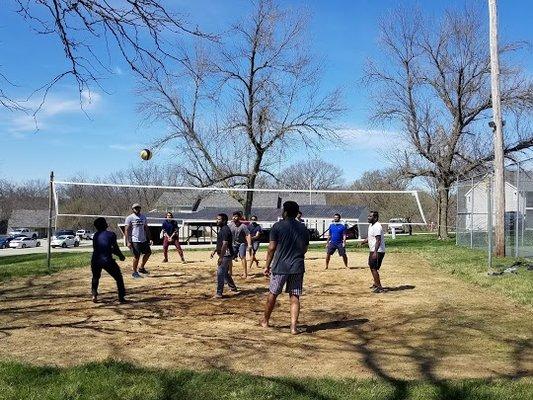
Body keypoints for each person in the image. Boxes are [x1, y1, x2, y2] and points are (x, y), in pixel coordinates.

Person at [260, 201, 310, 335]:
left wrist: (266, 266)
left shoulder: (277, 226)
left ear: (285, 212)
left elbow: (271, 248)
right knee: (295, 296)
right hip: (297, 267)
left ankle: (265, 320)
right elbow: (304, 249)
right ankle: (293, 327)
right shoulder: (303, 228)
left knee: (273, 293)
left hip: (280, 266)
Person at [91, 217, 126, 303]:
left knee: (96, 277)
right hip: (107, 260)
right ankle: (121, 297)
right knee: (118, 277)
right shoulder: (111, 234)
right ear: (104, 225)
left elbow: (104, 248)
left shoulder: (95, 235)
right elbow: (115, 248)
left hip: (95, 260)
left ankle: (94, 294)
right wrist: (121, 256)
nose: (107, 224)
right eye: (105, 222)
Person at [210, 213, 238, 298]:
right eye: (217, 219)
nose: (217, 221)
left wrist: (221, 257)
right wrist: (215, 250)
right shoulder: (222, 229)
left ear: (224, 221)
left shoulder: (225, 230)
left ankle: (219, 293)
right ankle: (233, 288)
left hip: (226, 254)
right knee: (225, 272)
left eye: (219, 219)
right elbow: (221, 243)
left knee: (220, 272)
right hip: (224, 254)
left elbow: (225, 244)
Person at [125, 203, 152, 278]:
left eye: (138, 208)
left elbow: (146, 228)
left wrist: (149, 238)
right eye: (135, 208)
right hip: (135, 240)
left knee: (148, 253)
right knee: (137, 256)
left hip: (143, 239)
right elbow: (126, 230)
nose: (137, 209)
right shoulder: (129, 218)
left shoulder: (143, 217)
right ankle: (134, 272)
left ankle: (141, 268)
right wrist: (128, 241)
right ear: (133, 209)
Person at [361, 211, 386, 293]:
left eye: (370, 216)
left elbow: (378, 240)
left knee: (374, 268)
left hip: (378, 251)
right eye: (368, 216)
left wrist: (375, 252)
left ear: (375, 218)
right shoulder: (371, 225)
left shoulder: (377, 226)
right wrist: (364, 241)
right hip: (373, 250)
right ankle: (376, 284)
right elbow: (370, 237)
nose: (368, 218)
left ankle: (379, 287)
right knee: (372, 267)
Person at [228, 211, 252, 278]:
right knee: (229, 258)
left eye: (236, 216)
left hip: (242, 243)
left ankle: (245, 273)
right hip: (233, 244)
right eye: (233, 216)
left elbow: (248, 235)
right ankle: (230, 272)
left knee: (242, 257)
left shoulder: (243, 226)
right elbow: (227, 234)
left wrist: (249, 244)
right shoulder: (230, 225)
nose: (234, 217)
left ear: (239, 217)